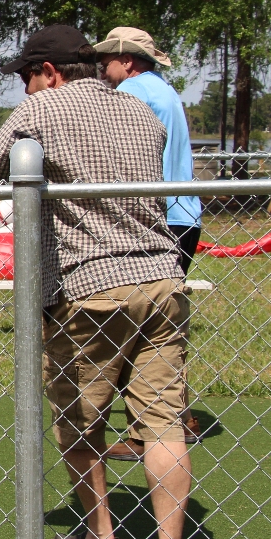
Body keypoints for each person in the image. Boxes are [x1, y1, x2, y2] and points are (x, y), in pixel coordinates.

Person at [0, 24, 204, 539]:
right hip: (161, 278)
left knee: (79, 419)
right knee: (164, 422)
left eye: (27, 78)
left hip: (88, 287)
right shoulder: (141, 114)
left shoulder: (41, 112)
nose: (25, 90)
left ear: (48, 72)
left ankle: (102, 536)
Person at [94, 27, 203, 461]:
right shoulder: (164, 90)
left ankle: (157, 424)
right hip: (183, 215)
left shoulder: (134, 92)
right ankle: (170, 418)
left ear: (129, 60)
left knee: (134, 323)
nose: (103, 67)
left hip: (156, 218)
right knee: (155, 323)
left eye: (108, 59)